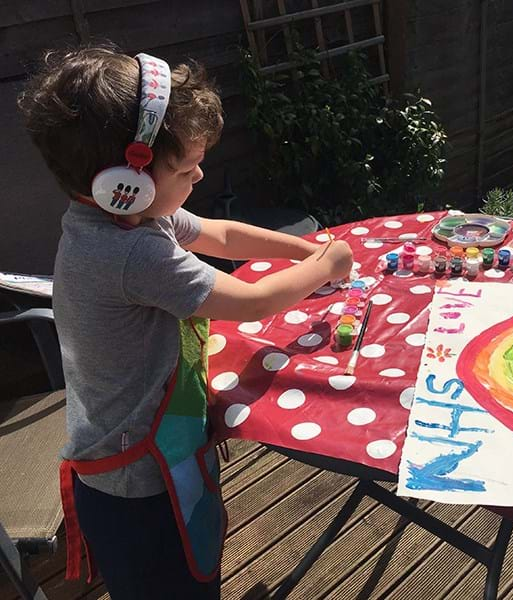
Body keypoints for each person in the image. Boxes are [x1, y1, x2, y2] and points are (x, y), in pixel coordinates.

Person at [17, 45, 352, 599]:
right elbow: (256, 300)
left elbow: (219, 234)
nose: (199, 173)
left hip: (141, 456)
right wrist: (325, 266)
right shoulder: (132, 254)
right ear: (126, 180)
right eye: (186, 166)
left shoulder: (125, 213)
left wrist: (303, 249)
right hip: (137, 486)